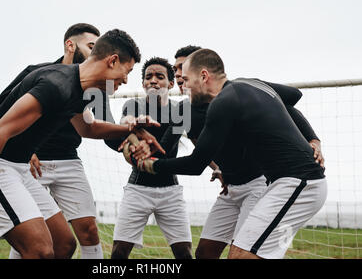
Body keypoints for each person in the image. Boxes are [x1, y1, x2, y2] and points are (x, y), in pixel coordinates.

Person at [0, 29, 164, 259]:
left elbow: (87, 128)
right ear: (112, 60)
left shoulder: (79, 88)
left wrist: (130, 128)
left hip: (18, 168)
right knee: (39, 250)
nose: (125, 80)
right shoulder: (55, 85)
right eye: (127, 72)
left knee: (64, 244)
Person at [124, 48, 327, 259]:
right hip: (238, 186)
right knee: (206, 253)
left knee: (240, 254)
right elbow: (165, 151)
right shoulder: (192, 108)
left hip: (281, 182)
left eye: (185, 76)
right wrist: (139, 140)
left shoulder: (228, 99)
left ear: (203, 74)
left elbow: (291, 99)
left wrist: (313, 139)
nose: (181, 81)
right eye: (177, 73)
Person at [0, 23, 106, 259]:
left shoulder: (94, 86)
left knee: (89, 231)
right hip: (30, 164)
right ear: (70, 45)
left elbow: (93, 128)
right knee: (31, 239)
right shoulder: (38, 73)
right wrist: (25, 149)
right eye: (91, 47)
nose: (96, 55)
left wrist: (131, 132)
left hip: (69, 162)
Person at [106, 57, 193, 259]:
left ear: (170, 83)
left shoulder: (180, 110)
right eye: (148, 77)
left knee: (184, 253)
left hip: (170, 191)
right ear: (143, 83)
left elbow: (186, 142)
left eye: (159, 76)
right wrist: (132, 130)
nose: (153, 80)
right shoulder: (132, 104)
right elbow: (126, 121)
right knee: (119, 251)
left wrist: (217, 166)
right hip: (138, 189)